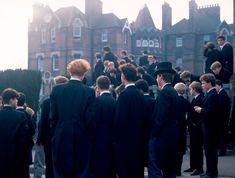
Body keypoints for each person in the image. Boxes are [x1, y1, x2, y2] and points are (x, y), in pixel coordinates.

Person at [50, 59, 96, 178]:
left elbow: (53, 117)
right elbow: (90, 118)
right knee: (81, 171)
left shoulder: (56, 90)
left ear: (70, 71)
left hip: (61, 134)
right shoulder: (89, 92)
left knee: (60, 171)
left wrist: (54, 135)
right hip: (82, 135)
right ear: (84, 72)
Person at [148, 61, 180, 178]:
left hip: (163, 137)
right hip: (171, 136)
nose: (156, 79)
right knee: (169, 170)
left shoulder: (165, 92)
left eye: (157, 76)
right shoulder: (173, 91)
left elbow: (160, 116)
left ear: (161, 76)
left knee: (158, 166)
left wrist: (154, 133)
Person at [114, 63, 146, 178]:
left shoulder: (124, 95)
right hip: (139, 141)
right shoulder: (140, 95)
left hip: (125, 142)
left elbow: (119, 120)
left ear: (124, 76)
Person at [37, 75, 69, 178]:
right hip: (65, 138)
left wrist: (40, 139)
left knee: (50, 165)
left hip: (49, 139)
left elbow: (43, 122)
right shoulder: (68, 102)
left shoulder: (47, 102)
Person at [89, 75, 116, 178]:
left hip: (98, 142)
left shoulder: (97, 101)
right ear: (109, 85)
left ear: (97, 86)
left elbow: (93, 122)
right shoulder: (115, 101)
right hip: (111, 143)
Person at [0, 88, 30, 178]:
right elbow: (25, 137)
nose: (17, 101)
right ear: (11, 100)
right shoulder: (20, 115)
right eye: (16, 99)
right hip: (16, 155)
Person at [194, 73, 220, 178]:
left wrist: (201, 110)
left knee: (211, 151)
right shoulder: (210, 94)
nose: (202, 85)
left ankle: (212, 173)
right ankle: (209, 171)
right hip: (208, 127)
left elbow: (213, 111)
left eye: (203, 83)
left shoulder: (213, 95)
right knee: (209, 151)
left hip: (211, 128)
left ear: (209, 83)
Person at [184, 81, 204, 176]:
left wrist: (194, 124)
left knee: (197, 148)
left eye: (191, 89)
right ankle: (193, 166)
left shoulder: (200, 99)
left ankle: (199, 168)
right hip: (193, 127)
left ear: (194, 89)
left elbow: (198, 115)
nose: (190, 91)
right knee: (193, 148)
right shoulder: (195, 98)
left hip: (196, 127)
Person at [135, 79, 155, 167]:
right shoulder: (153, 101)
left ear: (140, 90)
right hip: (151, 131)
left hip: (141, 133)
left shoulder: (140, 101)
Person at [16, 92, 36, 178]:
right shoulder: (28, 115)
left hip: (14, 147)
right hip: (26, 147)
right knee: (25, 171)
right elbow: (33, 130)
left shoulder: (14, 114)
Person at [174, 83, 191, 176]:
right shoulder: (185, 102)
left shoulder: (173, 101)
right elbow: (190, 113)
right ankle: (178, 170)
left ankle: (173, 169)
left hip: (173, 127)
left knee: (173, 149)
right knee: (180, 151)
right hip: (182, 127)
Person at [215, 79, 231, 156]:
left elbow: (221, 107)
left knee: (222, 135)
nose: (215, 87)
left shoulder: (222, 94)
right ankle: (221, 151)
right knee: (222, 135)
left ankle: (222, 151)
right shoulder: (222, 93)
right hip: (223, 118)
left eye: (215, 86)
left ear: (219, 86)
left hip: (222, 119)